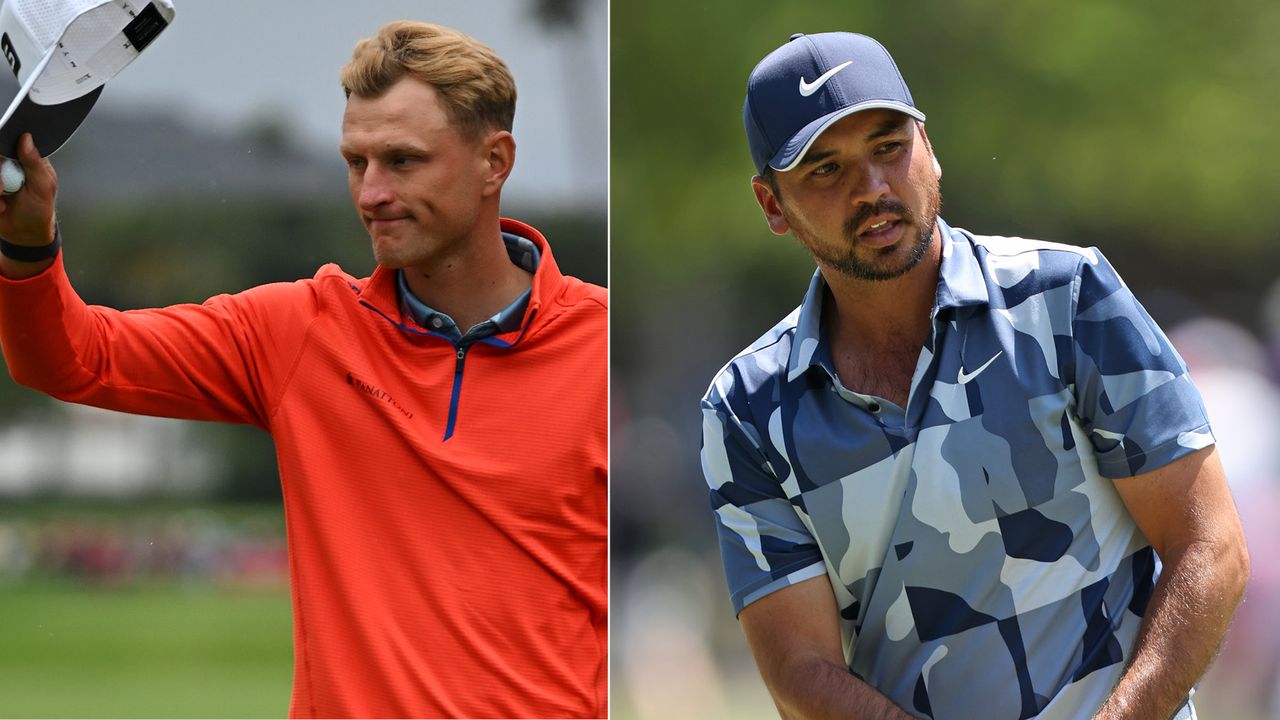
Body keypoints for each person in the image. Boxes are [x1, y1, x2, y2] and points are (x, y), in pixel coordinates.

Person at [0, 21, 606, 720]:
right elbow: (72, 358)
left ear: (493, 161)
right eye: (357, 162)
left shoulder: (600, 343)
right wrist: (26, 247)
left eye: (403, 161)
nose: (371, 193)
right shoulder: (296, 330)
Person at [700, 31, 1247, 719]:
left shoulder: (1069, 298)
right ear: (772, 204)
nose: (872, 188)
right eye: (825, 170)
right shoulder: (746, 407)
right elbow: (799, 667)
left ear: (929, 147)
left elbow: (1209, 544)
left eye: (889, 146)